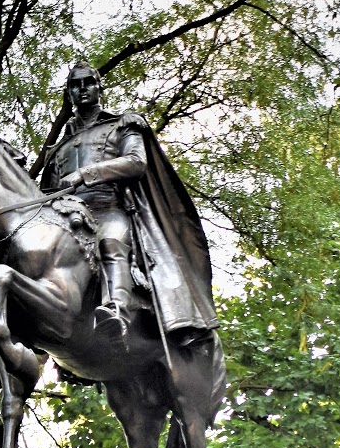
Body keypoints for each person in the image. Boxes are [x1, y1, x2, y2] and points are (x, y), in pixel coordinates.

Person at [41, 62, 218, 346]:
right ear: (68, 93)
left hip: (108, 208)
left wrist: (85, 174)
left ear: (100, 89)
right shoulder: (58, 148)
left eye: (88, 82)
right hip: (66, 218)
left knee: (109, 242)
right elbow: (45, 194)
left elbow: (136, 162)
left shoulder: (122, 125)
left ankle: (116, 314)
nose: (82, 89)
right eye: (75, 85)